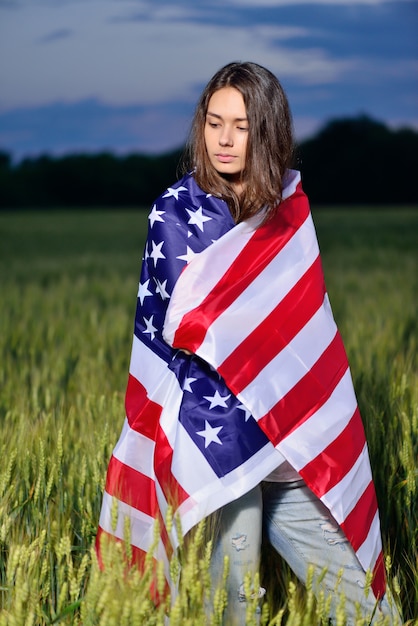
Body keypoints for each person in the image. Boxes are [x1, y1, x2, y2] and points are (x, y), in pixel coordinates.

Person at [96, 62, 400, 625]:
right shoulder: (175, 214)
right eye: (215, 123)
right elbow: (179, 329)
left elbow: (308, 335)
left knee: (370, 611)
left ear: (269, 132)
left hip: (294, 448)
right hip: (222, 454)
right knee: (235, 614)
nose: (226, 139)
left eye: (241, 125)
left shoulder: (288, 214)